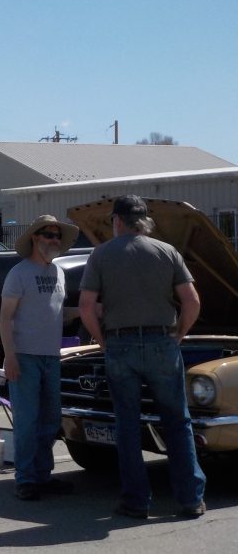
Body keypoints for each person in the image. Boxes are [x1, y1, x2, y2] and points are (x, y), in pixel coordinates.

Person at [79, 195, 206, 519]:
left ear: (116, 221)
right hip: (162, 342)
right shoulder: (167, 252)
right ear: (144, 222)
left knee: (128, 424)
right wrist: (179, 333)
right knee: (177, 421)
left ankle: (136, 500)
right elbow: (191, 301)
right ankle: (190, 498)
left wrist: (102, 340)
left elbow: (85, 307)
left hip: (120, 346)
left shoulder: (101, 255)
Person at [0, 215, 80, 501]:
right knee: (27, 420)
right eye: (48, 235)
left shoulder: (59, 273)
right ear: (35, 237)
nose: (54, 240)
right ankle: (26, 479)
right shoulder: (19, 273)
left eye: (57, 236)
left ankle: (43, 476)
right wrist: (10, 356)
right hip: (25, 356)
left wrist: (86, 310)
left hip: (51, 357)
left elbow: (57, 312)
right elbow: (5, 317)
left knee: (50, 420)